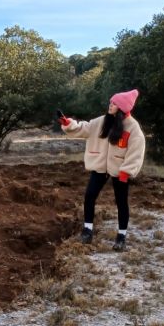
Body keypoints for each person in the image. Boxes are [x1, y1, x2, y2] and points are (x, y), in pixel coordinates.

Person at [58, 90, 146, 251]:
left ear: (122, 107)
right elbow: (84, 128)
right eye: (110, 102)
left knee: (121, 203)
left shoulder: (133, 128)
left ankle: (121, 237)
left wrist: (126, 171)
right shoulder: (101, 121)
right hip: (99, 167)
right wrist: (68, 123)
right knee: (89, 196)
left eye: (114, 104)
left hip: (121, 170)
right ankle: (87, 230)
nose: (110, 105)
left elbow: (136, 151)